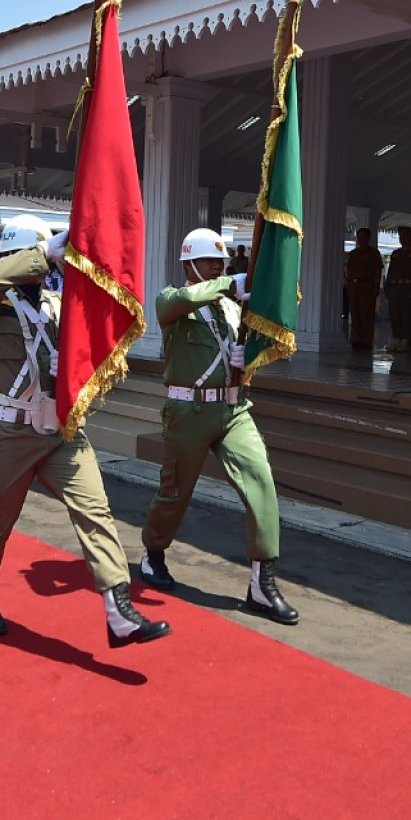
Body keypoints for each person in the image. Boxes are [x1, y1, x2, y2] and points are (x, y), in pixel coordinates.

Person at [0, 215, 169, 647]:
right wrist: (40, 253)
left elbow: (93, 351)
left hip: (61, 431)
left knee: (96, 512)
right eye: (35, 257)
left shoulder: (59, 305)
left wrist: (76, 370)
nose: (44, 269)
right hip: (7, 433)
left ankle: (118, 609)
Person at [137, 227, 298, 623]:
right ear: (189, 261)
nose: (218, 267)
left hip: (232, 409)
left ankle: (263, 582)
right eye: (211, 261)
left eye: (221, 262)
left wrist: (246, 356)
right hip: (187, 413)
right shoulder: (173, 299)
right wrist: (228, 283)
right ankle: (153, 553)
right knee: (174, 494)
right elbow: (177, 303)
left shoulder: (230, 307)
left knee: (261, 480)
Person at [383, 226, 411, 355]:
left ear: (410, 237)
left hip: (408, 286)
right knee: (395, 313)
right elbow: (390, 272)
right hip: (395, 287)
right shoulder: (396, 253)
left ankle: (406, 339)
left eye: (405, 236)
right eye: (400, 236)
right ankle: (396, 337)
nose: (402, 239)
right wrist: (387, 287)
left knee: (407, 314)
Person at [343, 228, 382, 352]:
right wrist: (348, 285)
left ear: (368, 238)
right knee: (355, 313)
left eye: (363, 237)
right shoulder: (354, 253)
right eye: (359, 237)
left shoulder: (374, 253)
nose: (361, 240)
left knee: (367, 314)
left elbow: (377, 271)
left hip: (367, 285)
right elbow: (348, 271)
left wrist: (376, 287)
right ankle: (356, 339)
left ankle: (366, 340)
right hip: (355, 286)